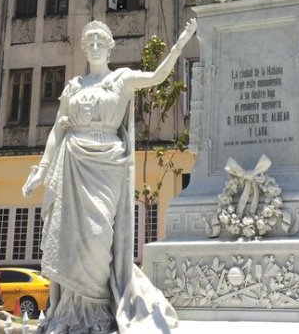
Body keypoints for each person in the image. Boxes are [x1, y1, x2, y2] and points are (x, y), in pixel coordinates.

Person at [23, 19, 196, 334]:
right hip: (73, 162)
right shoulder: (74, 86)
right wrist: (42, 170)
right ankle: (72, 313)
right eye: (88, 41)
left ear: (110, 46)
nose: (93, 46)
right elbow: (58, 129)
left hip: (108, 165)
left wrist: (179, 46)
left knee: (98, 236)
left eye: (99, 40)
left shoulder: (122, 79)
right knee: (71, 240)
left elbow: (157, 77)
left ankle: (98, 310)